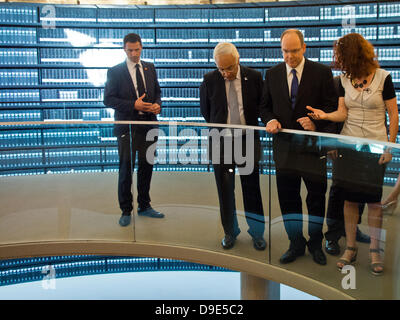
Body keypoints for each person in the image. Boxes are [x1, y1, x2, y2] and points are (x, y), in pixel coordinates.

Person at [307, 33, 399, 275]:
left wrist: (390, 146)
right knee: (348, 199)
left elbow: (393, 114)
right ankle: (350, 247)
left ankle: (375, 251)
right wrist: (324, 116)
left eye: (342, 57)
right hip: (349, 147)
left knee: (374, 202)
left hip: (376, 147)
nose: (339, 62)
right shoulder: (343, 80)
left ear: (355, 55)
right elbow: (342, 113)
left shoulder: (383, 77)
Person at [260, 29, 338, 265]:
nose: (289, 56)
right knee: (288, 199)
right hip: (284, 151)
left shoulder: (322, 73)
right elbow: (264, 107)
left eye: (294, 51)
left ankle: (315, 244)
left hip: (312, 150)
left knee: (316, 199)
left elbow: (333, 110)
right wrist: (270, 120)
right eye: (285, 51)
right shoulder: (272, 73)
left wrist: (317, 123)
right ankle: (295, 243)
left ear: (304, 48)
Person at [200, 42, 266, 251]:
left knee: (252, 189)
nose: (226, 73)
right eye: (221, 69)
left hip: (247, 139)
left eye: (229, 68)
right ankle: (230, 231)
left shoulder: (254, 77)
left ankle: (257, 233)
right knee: (225, 189)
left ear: (237, 60)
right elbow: (206, 111)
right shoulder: (209, 80)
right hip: (222, 142)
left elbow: (262, 106)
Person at [104, 33, 164, 227]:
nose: (134, 54)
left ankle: (144, 206)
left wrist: (157, 105)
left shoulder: (150, 67)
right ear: (124, 49)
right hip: (127, 129)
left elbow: (158, 92)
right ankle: (126, 210)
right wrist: (133, 105)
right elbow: (108, 100)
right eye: (130, 50)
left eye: (137, 50)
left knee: (147, 169)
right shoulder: (114, 71)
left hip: (148, 127)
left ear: (141, 48)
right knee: (126, 171)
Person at [324, 76, 371, 256]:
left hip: (365, 144)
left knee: (360, 188)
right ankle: (333, 235)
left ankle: (352, 228)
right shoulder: (337, 82)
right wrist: (330, 143)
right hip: (342, 144)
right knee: (339, 188)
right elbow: (330, 114)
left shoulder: (375, 82)